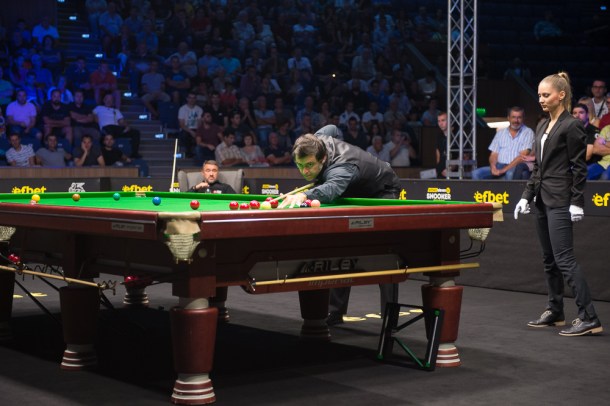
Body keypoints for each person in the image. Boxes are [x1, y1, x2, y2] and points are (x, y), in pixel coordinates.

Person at [279, 124, 401, 325]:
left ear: (323, 158)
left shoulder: (342, 168)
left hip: (381, 190)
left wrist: (304, 195)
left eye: (309, 165)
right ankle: (334, 312)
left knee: (384, 254)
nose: (304, 171)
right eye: (300, 165)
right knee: (342, 247)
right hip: (352, 186)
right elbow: (332, 128)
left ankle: (390, 319)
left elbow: (330, 190)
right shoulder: (316, 140)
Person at [514, 72, 602, 337]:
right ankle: (555, 311)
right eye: (539, 95)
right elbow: (538, 168)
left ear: (561, 95)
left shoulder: (572, 125)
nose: (541, 99)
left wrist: (577, 202)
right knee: (549, 259)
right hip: (542, 199)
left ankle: (589, 317)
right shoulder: (542, 125)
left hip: (561, 200)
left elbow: (579, 168)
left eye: (546, 94)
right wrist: (526, 196)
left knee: (564, 258)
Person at [472, 106, 534, 180]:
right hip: (499, 165)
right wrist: (493, 167)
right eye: (513, 117)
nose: (516, 120)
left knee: (510, 174)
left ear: (523, 118)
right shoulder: (500, 133)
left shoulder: (528, 132)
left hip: (515, 167)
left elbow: (522, 157)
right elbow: (494, 154)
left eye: (519, 117)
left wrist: (503, 170)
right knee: (475, 173)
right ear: (508, 118)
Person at [92, 93, 141, 158]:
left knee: (136, 132)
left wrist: (127, 126)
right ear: (104, 100)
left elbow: (121, 121)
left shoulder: (116, 110)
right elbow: (93, 117)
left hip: (116, 129)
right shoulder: (99, 108)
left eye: (111, 99)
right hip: (106, 128)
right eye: (107, 99)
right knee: (109, 129)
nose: (109, 101)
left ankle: (134, 153)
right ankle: (108, 154)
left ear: (113, 101)